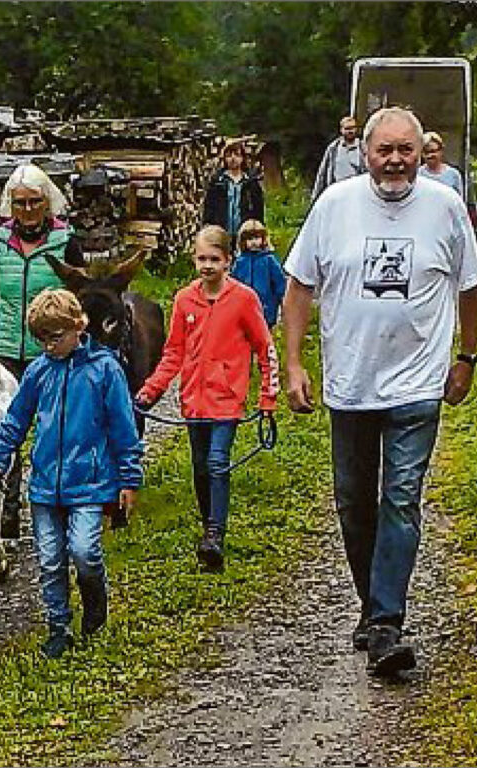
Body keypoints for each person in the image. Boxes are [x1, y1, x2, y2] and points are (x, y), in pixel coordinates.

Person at [283, 106, 477, 677]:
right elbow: (299, 289)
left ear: (422, 153)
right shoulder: (334, 205)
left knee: (401, 496)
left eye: (406, 150)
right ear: (364, 153)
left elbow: (471, 286)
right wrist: (294, 364)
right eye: (384, 150)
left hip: (417, 382)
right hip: (350, 383)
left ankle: (388, 622)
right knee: (352, 502)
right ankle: (373, 606)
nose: (395, 160)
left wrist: (467, 357)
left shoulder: (445, 208)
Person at [0, 289, 143, 659]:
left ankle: (94, 604)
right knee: (50, 560)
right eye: (41, 340)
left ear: (78, 326)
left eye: (54, 338)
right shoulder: (38, 372)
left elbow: (123, 429)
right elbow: (15, 422)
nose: (48, 347)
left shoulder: (105, 370)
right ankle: (59, 626)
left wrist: (129, 480)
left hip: (91, 483)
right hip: (44, 488)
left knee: (84, 552)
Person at [135, 225, 278, 572]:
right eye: (202, 258)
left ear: (229, 261)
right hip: (193, 401)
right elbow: (173, 353)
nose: (208, 265)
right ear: (193, 259)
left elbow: (264, 348)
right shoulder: (185, 299)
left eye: (215, 259)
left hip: (227, 398)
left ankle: (215, 534)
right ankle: (208, 524)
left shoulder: (244, 299)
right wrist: (151, 389)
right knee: (200, 468)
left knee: (217, 462)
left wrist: (268, 397)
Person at [0, 164, 86, 542]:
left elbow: (78, 295)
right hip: (5, 347)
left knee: (54, 424)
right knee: (8, 429)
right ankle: (7, 513)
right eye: (19, 203)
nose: (27, 210)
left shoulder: (65, 240)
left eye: (34, 202)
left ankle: (58, 503)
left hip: (50, 347)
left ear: (47, 202)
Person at [202, 140, 265, 249]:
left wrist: (257, 227)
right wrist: (208, 224)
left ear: (242, 158)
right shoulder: (218, 181)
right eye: (229, 155)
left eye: (237, 155)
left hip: (244, 230)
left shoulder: (250, 182)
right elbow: (209, 205)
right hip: (222, 229)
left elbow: (258, 207)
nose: (233, 158)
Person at [231, 219, 287, 328]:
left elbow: (279, 282)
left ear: (263, 239)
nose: (253, 242)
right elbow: (233, 282)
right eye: (249, 239)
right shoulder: (240, 262)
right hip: (243, 308)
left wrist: (282, 301)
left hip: (266, 308)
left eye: (257, 238)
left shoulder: (269, 260)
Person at [312, 115, 367, 201]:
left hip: (356, 195)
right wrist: (315, 197)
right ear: (341, 130)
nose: (350, 131)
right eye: (347, 128)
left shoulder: (363, 148)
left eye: (353, 128)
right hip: (336, 193)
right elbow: (322, 173)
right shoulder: (333, 148)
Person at [419, 130, 464, 197]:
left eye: (433, 151)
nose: (430, 155)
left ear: (441, 151)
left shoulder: (453, 175)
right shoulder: (418, 174)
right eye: (426, 152)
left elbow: (458, 201)